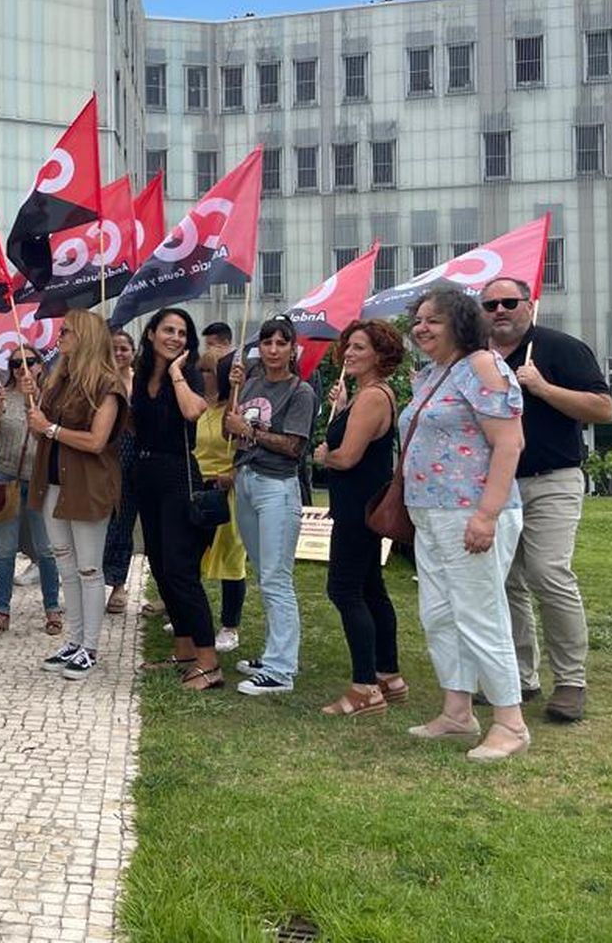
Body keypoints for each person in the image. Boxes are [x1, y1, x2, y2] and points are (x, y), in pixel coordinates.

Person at [403, 286, 530, 761]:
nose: (421, 327)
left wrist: (486, 514)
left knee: (480, 613)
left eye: (433, 320)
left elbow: (509, 443)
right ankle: (458, 712)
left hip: (470, 512)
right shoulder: (436, 374)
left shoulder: (483, 365)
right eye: (418, 319)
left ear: (459, 321)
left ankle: (510, 723)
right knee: (438, 613)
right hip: (430, 513)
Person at [484, 276, 612, 724]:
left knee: (547, 572)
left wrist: (541, 387)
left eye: (508, 302)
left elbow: (602, 409)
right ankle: (520, 676)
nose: (499, 310)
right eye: (490, 304)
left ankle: (571, 681)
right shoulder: (478, 359)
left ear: (529, 304)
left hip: (552, 479)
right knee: (506, 581)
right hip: (498, 485)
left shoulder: (559, 349)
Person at [21, 310, 127, 681]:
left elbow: (97, 441)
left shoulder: (107, 385)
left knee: (88, 568)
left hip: (87, 485)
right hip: (52, 483)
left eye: (66, 331)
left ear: (84, 336)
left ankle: (91, 647)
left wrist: (49, 427)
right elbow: (39, 433)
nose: (59, 335)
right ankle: (75, 639)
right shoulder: (58, 380)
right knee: (65, 565)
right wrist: (33, 407)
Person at [313, 320, 407, 716]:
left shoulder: (372, 398)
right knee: (372, 590)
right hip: (365, 507)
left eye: (360, 348)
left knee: (345, 590)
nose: (349, 352)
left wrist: (323, 457)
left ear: (381, 354)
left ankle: (364, 688)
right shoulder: (370, 394)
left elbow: (348, 457)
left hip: (357, 510)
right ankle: (389, 676)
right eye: (348, 346)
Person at [225, 316, 316, 696]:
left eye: (282, 343)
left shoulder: (301, 392)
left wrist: (251, 431)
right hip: (246, 480)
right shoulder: (251, 383)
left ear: (292, 349)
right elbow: (230, 432)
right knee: (264, 572)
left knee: (277, 577)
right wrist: (232, 402)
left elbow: (295, 446)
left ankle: (281, 668)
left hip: (277, 486)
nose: (274, 350)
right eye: (267, 343)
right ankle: (273, 651)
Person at [129, 307, 219, 691]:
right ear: (151, 334)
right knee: (161, 565)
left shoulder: (188, 373)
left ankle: (209, 662)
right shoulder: (139, 373)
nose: (175, 338)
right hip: (146, 475)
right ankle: (183, 650)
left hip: (178, 476)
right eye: (168, 330)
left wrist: (177, 372)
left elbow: (194, 411)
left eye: (182, 333)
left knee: (182, 570)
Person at [0, 346, 63, 638]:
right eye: (16, 363)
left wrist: (38, 400)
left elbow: (52, 433)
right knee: (5, 549)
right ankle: (1, 610)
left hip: (39, 479)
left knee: (45, 548)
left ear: (41, 365)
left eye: (29, 362)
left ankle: (52, 608)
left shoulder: (51, 396)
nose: (22, 367)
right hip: (6, 476)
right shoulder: (0, 396)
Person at [193, 350, 246, 653]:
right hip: (198, 486)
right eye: (199, 369)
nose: (201, 374)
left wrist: (233, 475)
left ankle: (230, 625)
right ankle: (193, 612)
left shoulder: (234, 407)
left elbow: (245, 448)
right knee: (191, 553)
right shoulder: (199, 406)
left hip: (225, 488)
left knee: (229, 557)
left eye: (208, 370)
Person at [102, 328, 139, 615]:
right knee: (100, 523)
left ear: (133, 352)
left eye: (123, 348)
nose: (118, 354)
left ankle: (118, 583)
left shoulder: (140, 383)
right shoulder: (99, 383)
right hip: (104, 458)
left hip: (134, 459)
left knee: (123, 524)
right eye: (113, 348)